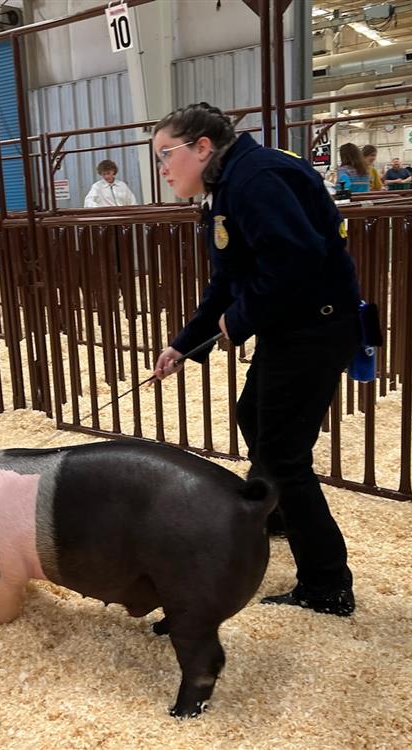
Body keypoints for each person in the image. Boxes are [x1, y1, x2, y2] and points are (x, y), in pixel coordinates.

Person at [151, 103, 361, 617]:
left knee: (285, 455)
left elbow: (297, 261)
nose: (162, 169)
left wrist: (239, 318)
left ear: (202, 147)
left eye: (165, 155)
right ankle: (280, 512)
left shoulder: (258, 177)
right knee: (255, 418)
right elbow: (228, 279)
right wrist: (185, 342)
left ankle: (327, 585)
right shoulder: (229, 185)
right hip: (290, 327)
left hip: (315, 327)